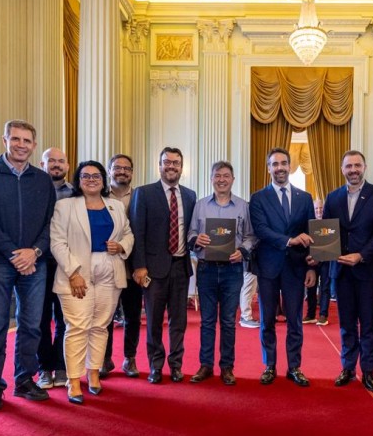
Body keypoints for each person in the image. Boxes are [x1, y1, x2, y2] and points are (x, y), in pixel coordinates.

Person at [0, 120, 56, 411]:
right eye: (15, 139)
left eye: (27, 140)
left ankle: (24, 380)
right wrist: (14, 254)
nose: (21, 145)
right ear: (4, 140)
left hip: (35, 263)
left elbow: (50, 223)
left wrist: (34, 252)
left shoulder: (42, 180)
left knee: (32, 326)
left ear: (34, 145)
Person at [50, 161, 133, 404]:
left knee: (100, 325)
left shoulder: (115, 206)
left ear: (103, 179)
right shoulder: (65, 206)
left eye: (96, 175)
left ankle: (93, 373)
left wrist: (121, 246)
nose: (91, 179)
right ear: (78, 179)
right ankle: (73, 380)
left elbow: (128, 233)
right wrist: (73, 272)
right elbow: (57, 241)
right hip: (76, 273)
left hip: (110, 270)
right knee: (77, 327)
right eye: (85, 176)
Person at [321, 151, 373, 392]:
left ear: (364, 167)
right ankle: (348, 368)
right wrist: (322, 253)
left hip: (367, 270)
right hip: (340, 271)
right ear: (342, 169)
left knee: (369, 324)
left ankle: (369, 371)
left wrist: (360, 255)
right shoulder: (333, 197)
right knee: (347, 323)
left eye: (357, 165)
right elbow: (326, 233)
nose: (353, 169)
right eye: (348, 166)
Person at [249, 147, 317, 387]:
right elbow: (261, 230)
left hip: (297, 268)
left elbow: (310, 233)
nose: (279, 168)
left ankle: (294, 367)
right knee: (267, 319)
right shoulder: (258, 198)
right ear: (268, 168)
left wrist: (312, 267)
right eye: (274, 164)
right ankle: (269, 365)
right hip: (268, 267)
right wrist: (289, 240)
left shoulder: (305, 197)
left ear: (289, 166)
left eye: (283, 163)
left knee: (295, 320)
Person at [130, 147, 197, 384]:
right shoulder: (144, 193)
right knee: (154, 322)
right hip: (153, 270)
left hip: (181, 267)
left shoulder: (190, 195)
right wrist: (139, 266)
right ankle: (155, 366)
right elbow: (137, 231)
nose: (171, 167)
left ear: (181, 167)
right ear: (159, 165)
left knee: (179, 321)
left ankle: (176, 365)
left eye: (176, 163)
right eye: (166, 162)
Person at [187, 161, 256, 385]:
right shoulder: (200, 205)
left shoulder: (243, 206)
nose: (222, 180)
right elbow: (191, 233)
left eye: (226, 176)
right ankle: (205, 365)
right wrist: (196, 240)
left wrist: (243, 251)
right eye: (217, 176)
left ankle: (227, 366)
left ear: (233, 179)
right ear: (211, 179)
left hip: (232, 269)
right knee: (207, 321)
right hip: (206, 269)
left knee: (227, 321)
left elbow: (250, 236)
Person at [99, 154, 142, 379]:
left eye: (126, 168)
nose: (122, 172)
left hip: (133, 266)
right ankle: (105, 359)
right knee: (105, 316)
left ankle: (130, 358)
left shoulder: (140, 196)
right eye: (117, 168)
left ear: (132, 172)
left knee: (133, 316)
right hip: (106, 265)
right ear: (109, 170)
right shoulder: (99, 195)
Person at [36, 148, 73, 390]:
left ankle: (61, 367)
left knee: (64, 318)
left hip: (66, 264)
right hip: (37, 262)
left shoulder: (75, 194)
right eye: (52, 161)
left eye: (61, 161)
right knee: (39, 319)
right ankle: (43, 369)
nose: (56, 165)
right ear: (42, 164)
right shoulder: (32, 190)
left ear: (68, 166)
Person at [304, 198, 332, 326]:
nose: (319, 211)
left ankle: (323, 315)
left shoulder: (330, 224)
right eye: (316, 209)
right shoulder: (308, 225)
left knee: (325, 287)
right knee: (310, 287)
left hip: (326, 261)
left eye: (321, 208)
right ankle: (310, 315)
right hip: (311, 262)